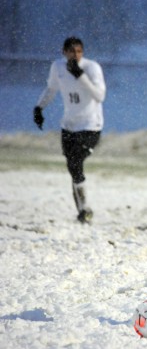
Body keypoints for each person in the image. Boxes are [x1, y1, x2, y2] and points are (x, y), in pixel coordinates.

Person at [33, 36, 106, 224]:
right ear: (64, 52)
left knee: (76, 162)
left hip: (90, 126)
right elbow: (51, 89)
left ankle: (85, 208)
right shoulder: (57, 67)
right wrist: (39, 107)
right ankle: (83, 210)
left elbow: (100, 95)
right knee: (72, 167)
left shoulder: (91, 68)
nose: (76, 55)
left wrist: (80, 76)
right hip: (69, 125)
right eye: (72, 51)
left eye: (79, 51)